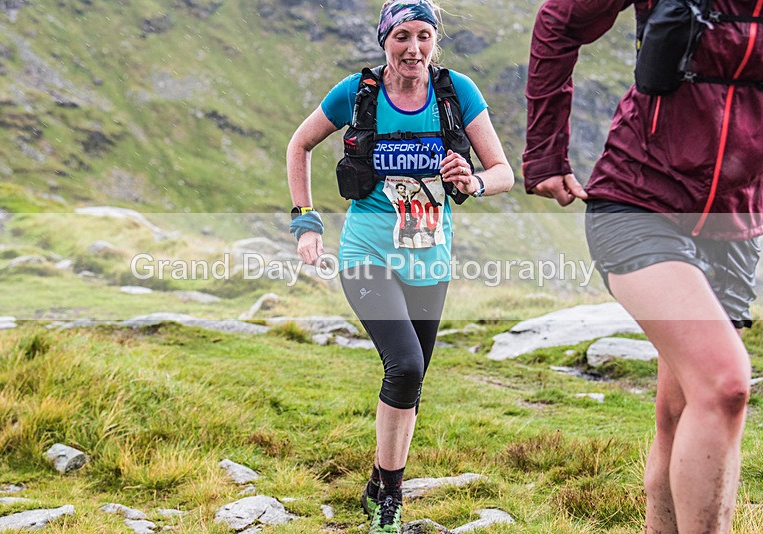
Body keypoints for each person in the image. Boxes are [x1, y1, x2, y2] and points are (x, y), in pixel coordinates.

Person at [523, 1, 763, 532]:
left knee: (682, 412)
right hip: (639, 200)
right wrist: (545, 153)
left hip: (734, 222)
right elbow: (560, 20)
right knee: (724, 384)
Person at [287, 1, 514, 531]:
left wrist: (474, 181)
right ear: (385, 40)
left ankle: (378, 480)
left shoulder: (457, 93)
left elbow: (503, 171)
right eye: (402, 37)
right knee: (405, 367)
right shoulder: (357, 93)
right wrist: (306, 221)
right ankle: (391, 498)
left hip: (430, 259)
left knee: (412, 383)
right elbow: (300, 144)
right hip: (366, 254)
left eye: (424, 36)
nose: (414, 48)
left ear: (435, 41)